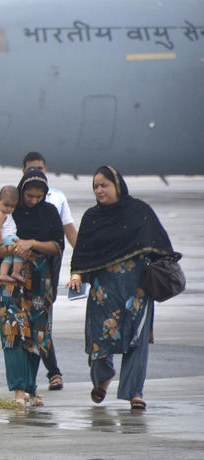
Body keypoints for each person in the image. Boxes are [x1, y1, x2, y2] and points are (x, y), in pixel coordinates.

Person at [68, 166, 175, 410]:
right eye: (96, 186)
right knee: (100, 342)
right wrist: (76, 275)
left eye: (104, 185)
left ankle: (134, 393)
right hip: (103, 291)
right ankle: (103, 379)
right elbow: (82, 253)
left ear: (117, 186)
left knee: (136, 340)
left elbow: (159, 244)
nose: (99, 190)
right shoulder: (92, 218)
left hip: (137, 289)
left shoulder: (139, 212)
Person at [0, 167, 63, 407]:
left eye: (39, 197)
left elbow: (57, 245)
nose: (34, 201)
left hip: (39, 281)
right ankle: (18, 390)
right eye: (30, 196)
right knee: (13, 331)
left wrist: (32, 243)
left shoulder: (49, 212)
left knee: (37, 333)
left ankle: (31, 388)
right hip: (7, 280)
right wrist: (13, 249)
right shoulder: (7, 211)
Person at [22, 151, 76, 391]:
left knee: (42, 325)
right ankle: (26, 383)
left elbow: (66, 234)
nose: (34, 200)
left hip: (45, 274)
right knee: (23, 328)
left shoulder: (56, 200)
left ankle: (53, 372)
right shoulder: (14, 199)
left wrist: (85, 261)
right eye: (33, 168)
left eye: (41, 168)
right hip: (17, 276)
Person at [0, 185, 23, 283]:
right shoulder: (1, 214)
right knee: (20, 249)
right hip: (4, 239)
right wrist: (0, 244)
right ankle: (16, 272)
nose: (9, 209)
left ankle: (3, 274)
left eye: (12, 206)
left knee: (8, 257)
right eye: (6, 205)